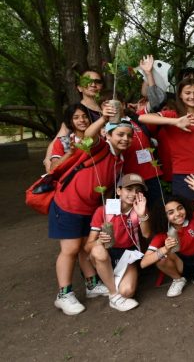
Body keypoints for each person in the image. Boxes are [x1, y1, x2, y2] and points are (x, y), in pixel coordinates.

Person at [49, 103, 132, 316]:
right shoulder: (99, 146)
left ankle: (92, 284)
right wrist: (104, 118)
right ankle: (64, 294)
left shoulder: (119, 158)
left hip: (90, 206)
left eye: (128, 136)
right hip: (69, 202)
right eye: (120, 135)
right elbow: (89, 135)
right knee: (70, 249)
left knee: (87, 245)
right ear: (109, 135)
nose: (125, 139)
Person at [141, 175, 194, 298]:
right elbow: (143, 263)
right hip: (179, 265)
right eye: (171, 212)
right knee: (160, 257)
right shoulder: (162, 234)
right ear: (164, 216)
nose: (178, 214)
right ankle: (178, 280)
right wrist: (165, 249)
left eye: (180, 208)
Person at [138, 78, 194, 200]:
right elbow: (142, 118)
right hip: (183, 174)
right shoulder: (174, 114)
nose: (192, 96)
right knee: (187, 214)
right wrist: (175, 122)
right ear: (180, 94)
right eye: (187, 93)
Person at [85, 174, 150, 311]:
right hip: (106, 254)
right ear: (119, 190)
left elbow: (146, 234)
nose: (133, 194)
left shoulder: (139, 210)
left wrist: (142, 215)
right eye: (129, 189)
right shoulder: (103, 211)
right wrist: (99, 240)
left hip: (127, 254)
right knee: (97, 250)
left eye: (138, 190)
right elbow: (88, 246)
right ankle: (114, 296)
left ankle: (110, 284)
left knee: (127, 292)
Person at [43, 71, 104, 171]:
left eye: (97, 81)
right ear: (79, 87)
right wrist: (47, 161)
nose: (93, 84)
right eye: (87, 81)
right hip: (87, 167)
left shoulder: (107, 110)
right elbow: (57, 141)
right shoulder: (76, 113)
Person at [48, 104, 92, 172]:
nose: (82, 120)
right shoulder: (62, 142)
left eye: (85, 116)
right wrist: (70, 152)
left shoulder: (98, 139)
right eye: (76, 117)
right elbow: (52, 169)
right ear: (70, 121)